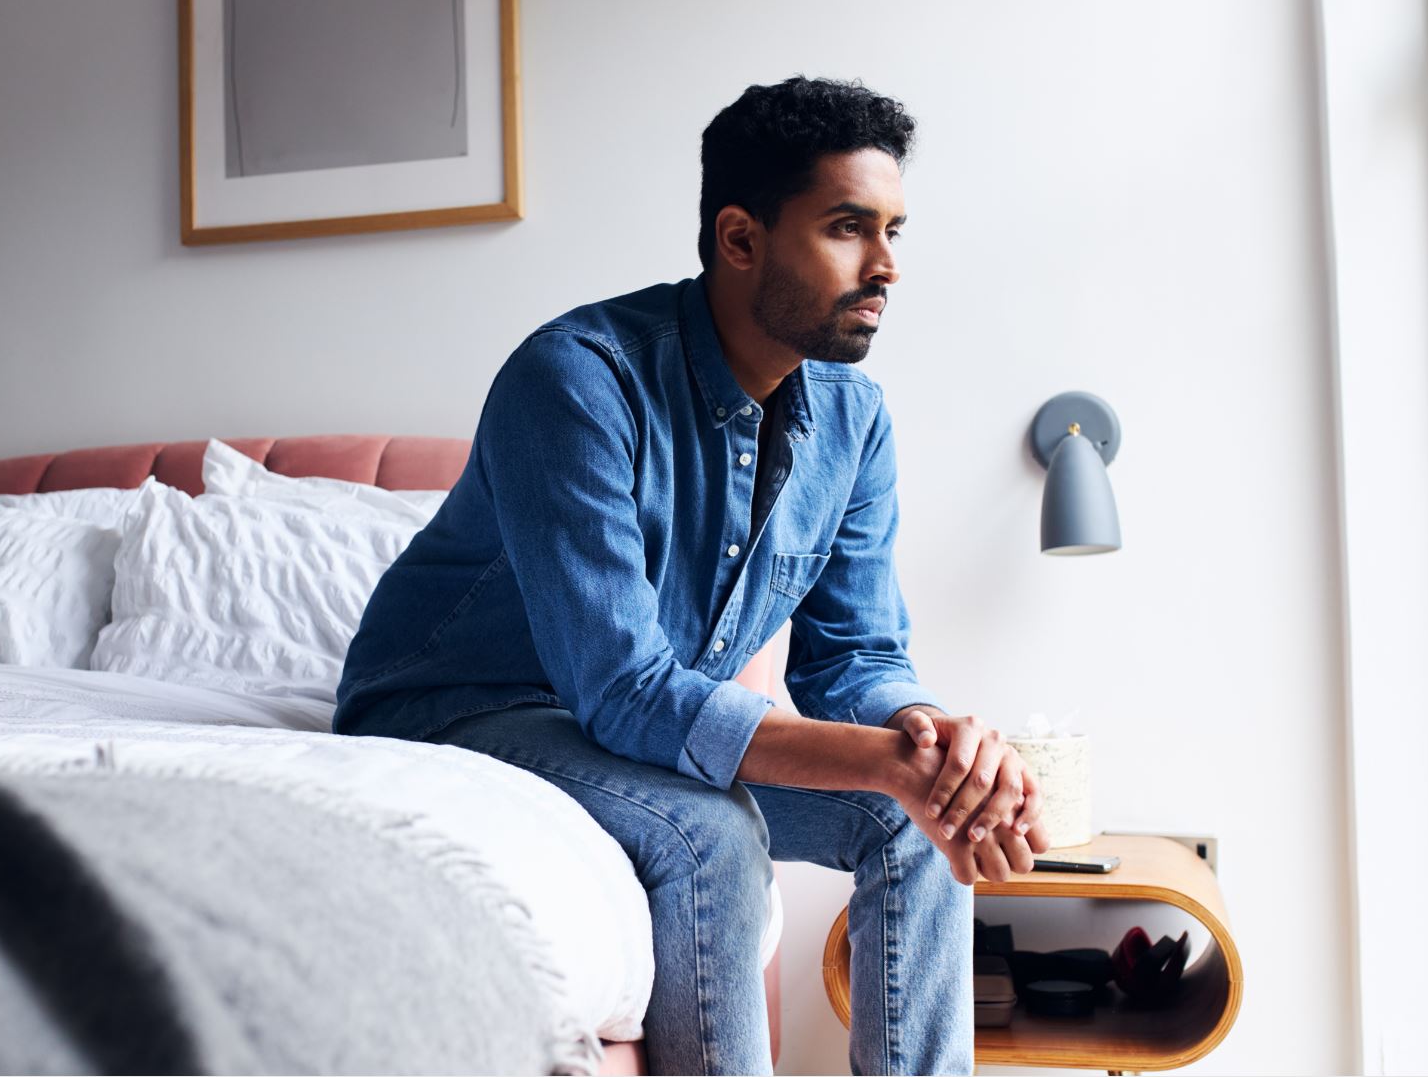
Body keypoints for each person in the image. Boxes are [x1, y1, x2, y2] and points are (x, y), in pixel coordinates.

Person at [335, 75, 1051, 1076]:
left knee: (910, 812)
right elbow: (620, 684)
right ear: (741, 238)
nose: (885, 265)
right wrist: (885, 755)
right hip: (462, 708)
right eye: (849, 227)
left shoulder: (857, 419)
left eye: (893, 230)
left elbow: (859, 659)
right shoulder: (575, 377)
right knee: (709, 831)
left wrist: (929, 742)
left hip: (620, 720)